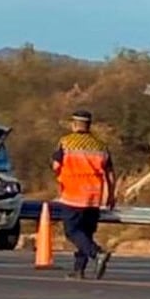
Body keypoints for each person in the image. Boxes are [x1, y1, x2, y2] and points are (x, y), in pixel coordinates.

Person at [51, 109, 116, 280]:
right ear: (89, 125)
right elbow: (110, 173)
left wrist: (61, 178)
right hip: (94, 196)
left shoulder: (66, 142)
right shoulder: (100, 146)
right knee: (85, 234)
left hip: (73, 194)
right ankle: (79, 270)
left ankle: (97, 253)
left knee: (72, 232)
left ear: (74, 124)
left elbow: (56, 166)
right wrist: (110, 195)